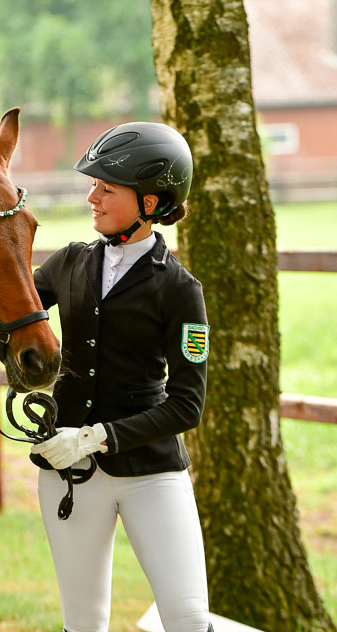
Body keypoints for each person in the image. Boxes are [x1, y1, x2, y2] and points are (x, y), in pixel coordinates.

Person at [31, 122, 213, 632]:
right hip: (68, 473)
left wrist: (98, 437)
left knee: (188, 618)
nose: (91, 196)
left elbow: (186, 405)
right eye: (94, 185)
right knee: (83, 623)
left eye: (107, 188)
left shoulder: (181, 290)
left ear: (150, 202)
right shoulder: (67, 262)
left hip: (152, 474)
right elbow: (6, 313)